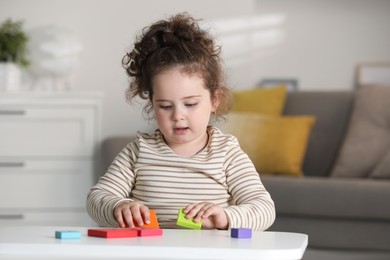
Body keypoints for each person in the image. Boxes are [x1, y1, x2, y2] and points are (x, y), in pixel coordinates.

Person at [87, 13, 275, 231]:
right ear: (152, 103)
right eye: (165, 106)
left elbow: (264, 208)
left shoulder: (227, 153)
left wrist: (224, 217)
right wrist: (119, 205)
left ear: (214, 100)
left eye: (191, 104)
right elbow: (96, 198)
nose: (178, 116)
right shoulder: (139, 150)